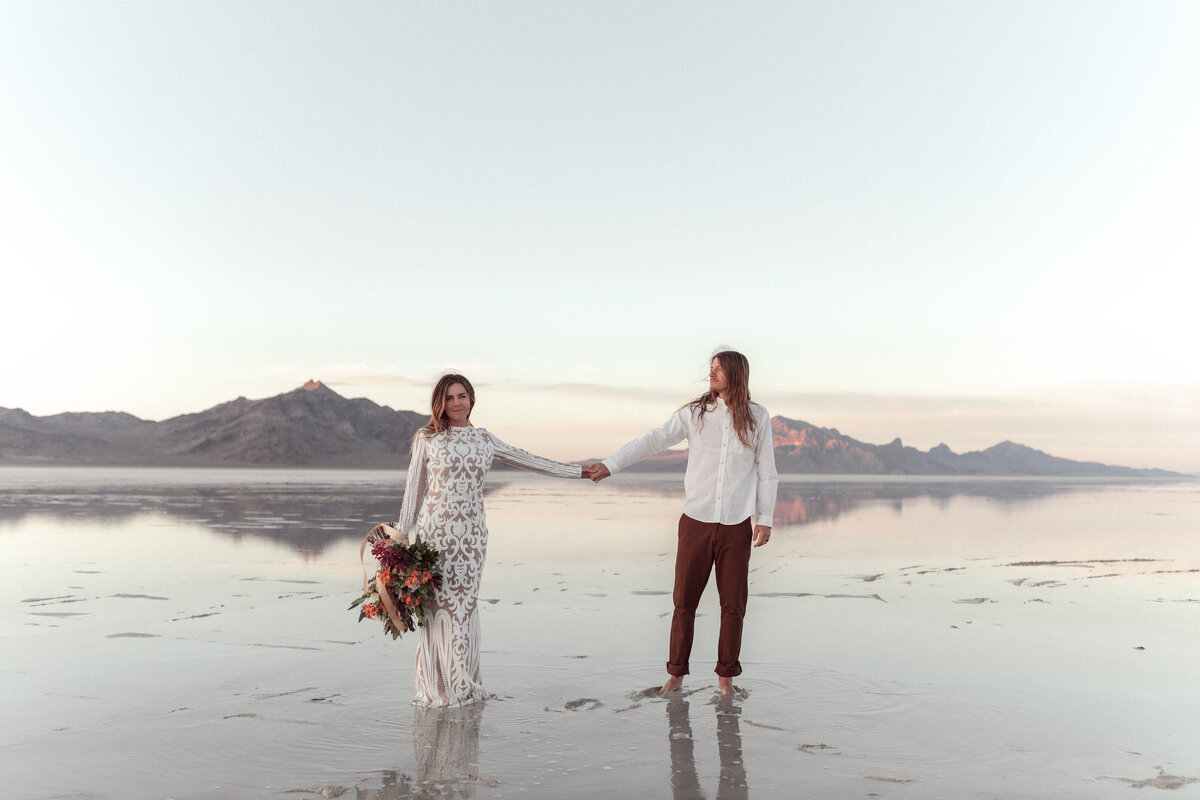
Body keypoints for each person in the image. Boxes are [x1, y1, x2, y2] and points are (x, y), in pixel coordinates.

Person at [585, 350, 777, 696]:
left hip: (736, 526)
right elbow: (653, 440)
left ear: (735, 373)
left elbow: (767, 471)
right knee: (683, 602)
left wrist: (765, 518)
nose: (711, 374)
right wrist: (611, 464)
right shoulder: (695, 414)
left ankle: (726, 679)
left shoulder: (758, 418)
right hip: (696, 522)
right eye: (711, 369)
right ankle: (675, 675)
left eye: (717, 369)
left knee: (734, 605)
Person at [394, 373, 587, 707]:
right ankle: (438, 688)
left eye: (462, 396)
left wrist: (581, 472)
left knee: (464, 609)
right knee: (437, 608)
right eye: (450, 398)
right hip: (434, 535)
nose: (456, 403)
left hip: (471, 538)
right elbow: (414, 492)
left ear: (472, 399)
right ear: (439, 403)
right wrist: (399, 539)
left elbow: (531, 460)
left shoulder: (485, 439)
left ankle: (464, 684)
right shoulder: (426, 438)